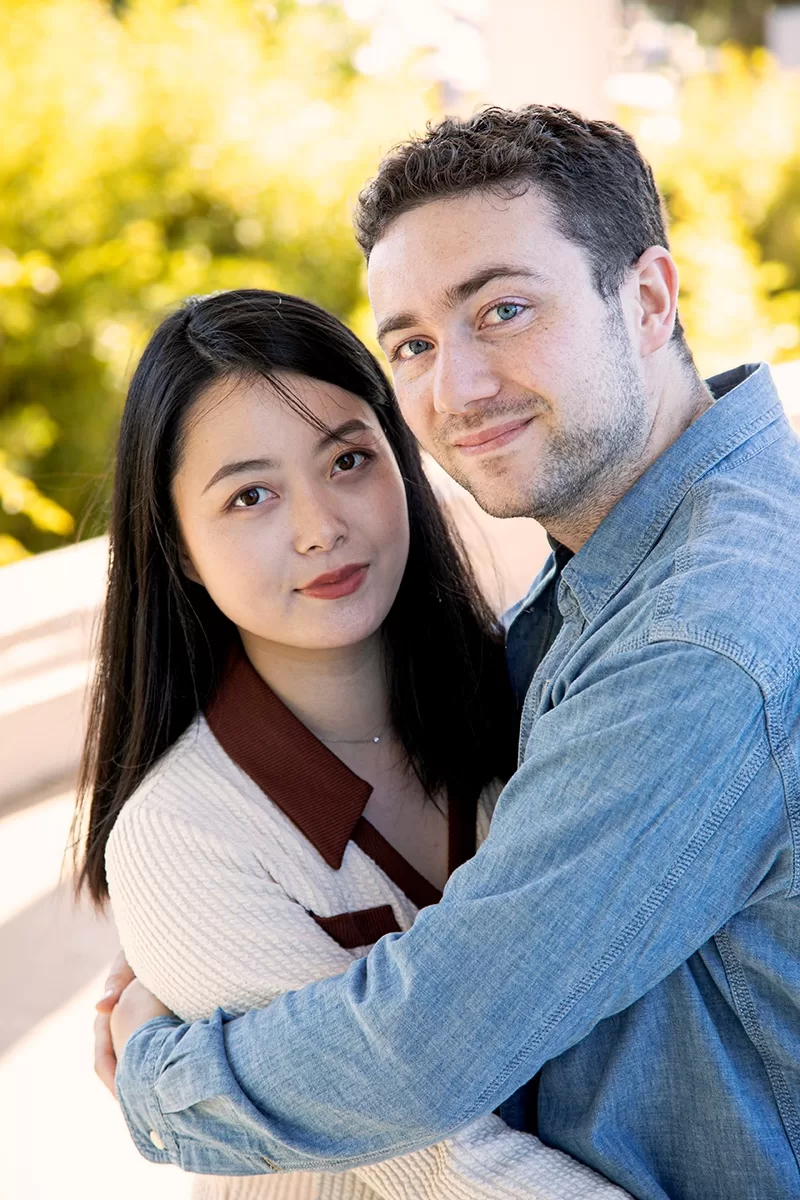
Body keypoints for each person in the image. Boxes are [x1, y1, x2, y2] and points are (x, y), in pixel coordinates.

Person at [95, 107, 800, 1200]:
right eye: (414, 343)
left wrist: (160, 1079)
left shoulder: (694, 636)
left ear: (650, 298)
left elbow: (429, 1048)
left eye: (502, 310)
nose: (457, 389)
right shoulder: (583, 600)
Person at [75, 286, 629, 1199]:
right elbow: (439, 1155)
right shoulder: (183, 837)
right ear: (175, 544)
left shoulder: (538, 698)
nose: (319, 528)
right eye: (250, 495)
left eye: (347, 461)